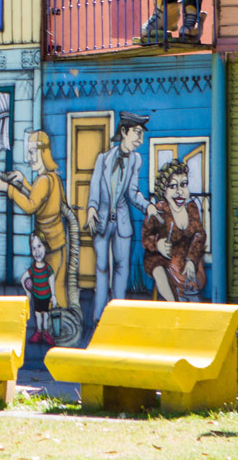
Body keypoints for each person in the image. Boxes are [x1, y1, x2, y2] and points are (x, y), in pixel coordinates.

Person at [0, 129, 68, 308]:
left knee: (46, 289)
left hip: (48, 243)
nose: (29, 157)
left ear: (43, 152)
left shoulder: (43, 181)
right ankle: (61, 325)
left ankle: (51, 328)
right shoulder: (52, 178)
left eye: (32, 152)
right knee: (58, 286)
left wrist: (8, 189)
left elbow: (31, 205)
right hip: (58, 241)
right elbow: (41, 198)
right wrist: (23, 181)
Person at [87, 111, 151, 322]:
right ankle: (98, 316)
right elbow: (95, 187)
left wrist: (147, 206)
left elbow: (133, 192)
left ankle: (118, 316)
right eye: (137, 133)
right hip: (102, 219)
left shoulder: (135, 160)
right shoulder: (103, 159)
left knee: (122, 267)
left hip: (122, 221)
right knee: (102, 267)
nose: (140, 140)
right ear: (124, 131)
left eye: (142, 135)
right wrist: (92, 208)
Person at [142, 160, 206, 302]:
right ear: (164, 191)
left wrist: (191, 259)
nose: (179, 191)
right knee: (159, 271)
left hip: (184, 256)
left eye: (183, 185)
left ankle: (188, 296)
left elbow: (199, 234)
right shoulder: (159, 211)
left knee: (193, 281)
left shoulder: (191, 208)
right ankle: (173, 304)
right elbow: (146, 237)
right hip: (163, 258)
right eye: (172, 186)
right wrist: (157, 244)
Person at [21, 232, 57, 345]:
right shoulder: (33, 269)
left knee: (45, 315)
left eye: (39, 246)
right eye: (33, 248)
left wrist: (53, 295)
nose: (37, 251)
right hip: (37, 296)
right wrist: (28, 292)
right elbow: (23, 278)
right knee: (37, 315)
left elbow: (51, 278)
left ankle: (46, 333)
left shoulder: (47, 268)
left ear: (45, 246)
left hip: (46, 296)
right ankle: (38, 333)